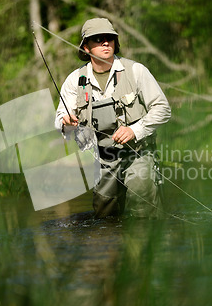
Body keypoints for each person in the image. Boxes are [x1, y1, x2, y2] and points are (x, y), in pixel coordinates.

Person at [55, 17, 171, 218]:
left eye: (109, 38)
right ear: (86, 48)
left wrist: (134, 130)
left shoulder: (136, 71)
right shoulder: (75, 80)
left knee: (142, 200)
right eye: (98, 39)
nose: (105, 42)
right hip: (102, 159)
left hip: (138, 152)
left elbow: (162, 109)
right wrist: (66, 122)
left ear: (116, 42)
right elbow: (59, 120)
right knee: (104, 215)